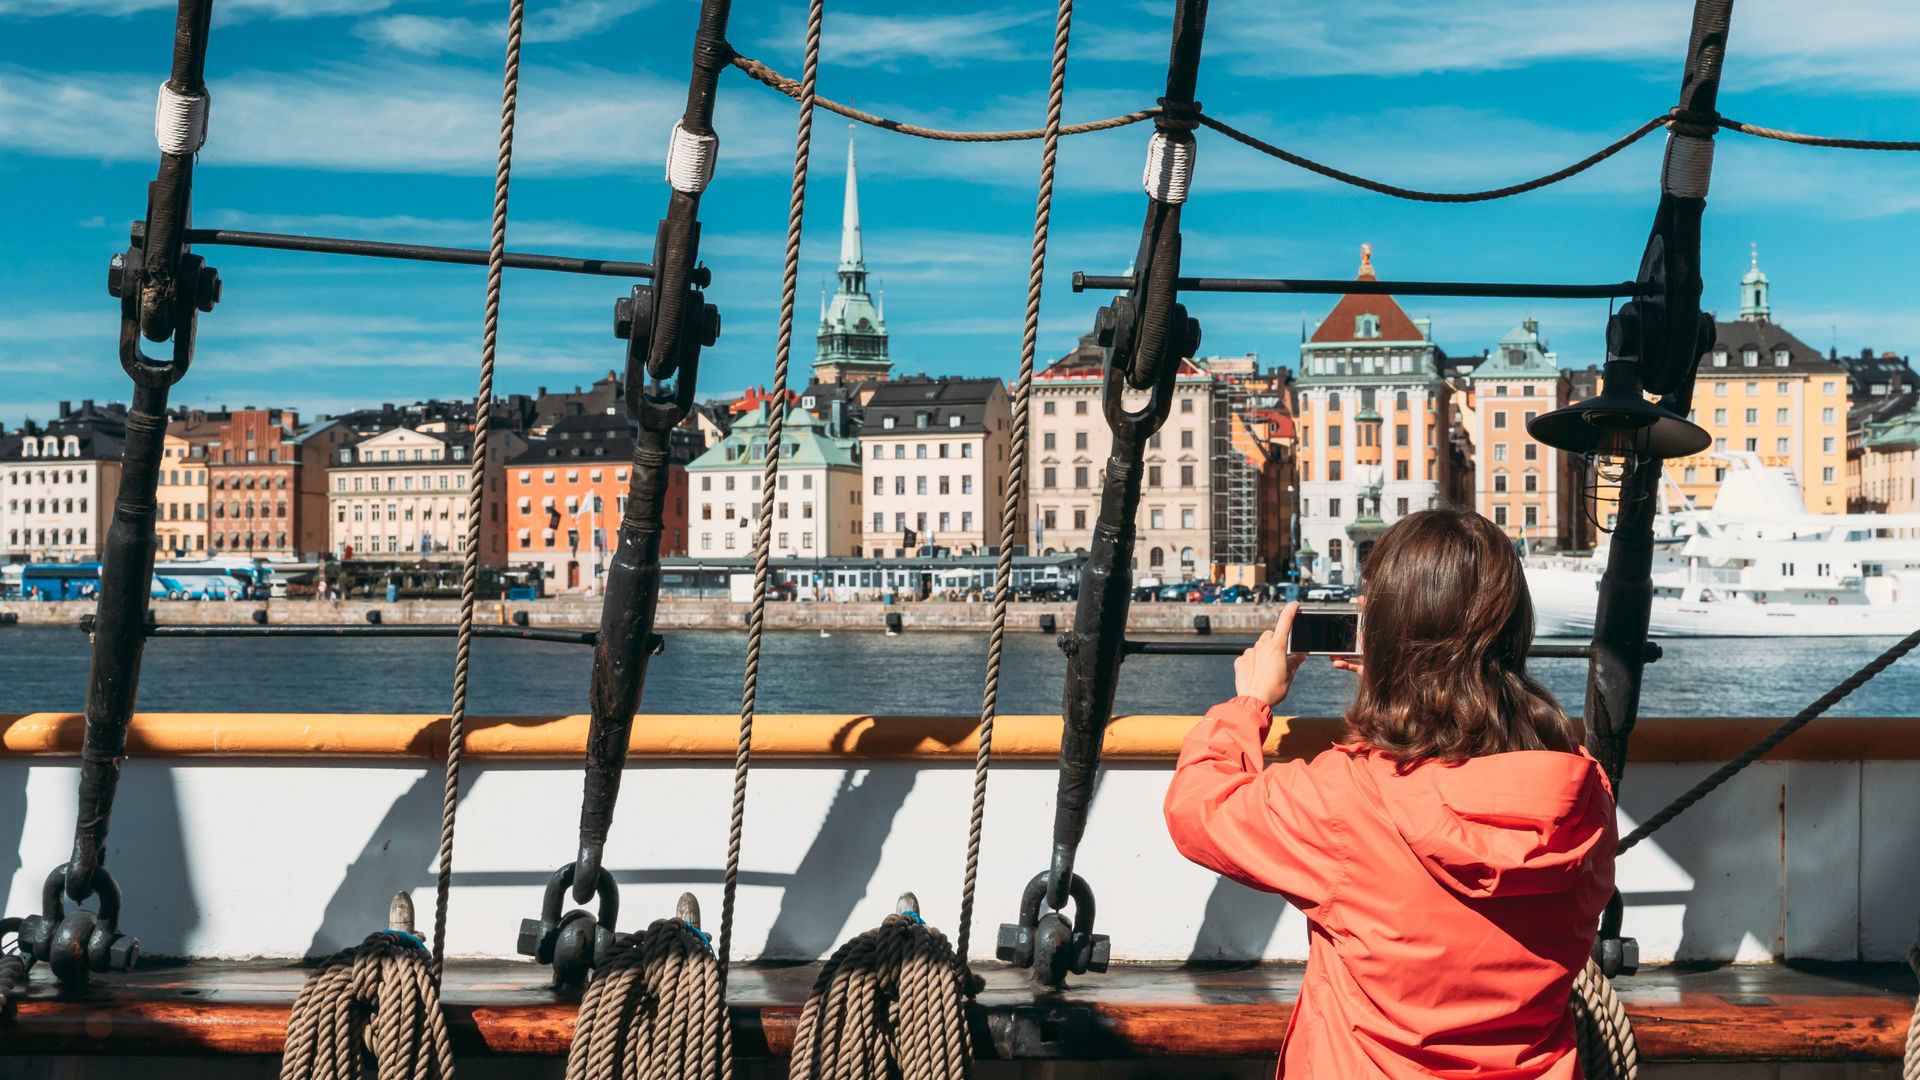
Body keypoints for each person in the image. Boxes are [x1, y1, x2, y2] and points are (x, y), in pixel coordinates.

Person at [1164, 509, 1614, 1080]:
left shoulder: (1348, 801)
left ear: (1382, 633)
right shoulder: (1585, 798)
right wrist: (1396, 680)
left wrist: (1250, 701)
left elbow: (1199, 808)